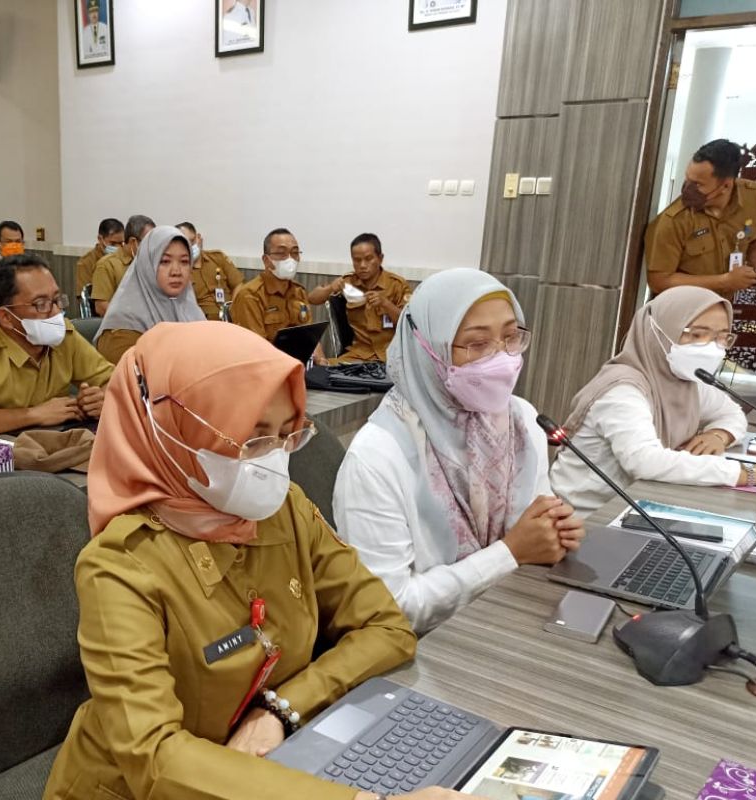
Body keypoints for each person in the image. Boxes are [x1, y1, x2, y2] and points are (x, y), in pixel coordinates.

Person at [43, 320, 467, 800]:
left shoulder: (284, 509)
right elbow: (156, 759)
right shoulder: (120, 565)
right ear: (171, 433)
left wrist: (280, 709)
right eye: (253, 438)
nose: (275, 461)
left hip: (274, 766)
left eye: (288, 435)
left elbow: (387, 628)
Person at [333, 269, 584, 634]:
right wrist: (509, 553)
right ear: (428, 349)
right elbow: (386, 610)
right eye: (477, 344)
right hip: (426, 652)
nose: (501, 358)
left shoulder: (521, 421)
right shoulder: (378, 457)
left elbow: (532, 522)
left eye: (511, 337)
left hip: (506, 620)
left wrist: (553, 532)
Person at [551, 286, 756, 514]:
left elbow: (731, 413)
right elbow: (645, 461)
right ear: (659, 333)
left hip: (641, 505)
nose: (712, 347)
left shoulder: (683, 381)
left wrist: (719, 435)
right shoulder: (622, 390)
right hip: (585, 519)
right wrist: (754, 474)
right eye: (697, 335)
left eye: (721, 337)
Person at [0, 254, 115, 440]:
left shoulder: (63, 335)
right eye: (41, 304)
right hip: (1, 457)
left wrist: (101, 399)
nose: (56, 312)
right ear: (6, 317)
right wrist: (33, 414)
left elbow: (116, 382)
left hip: (52, 446)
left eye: (57, 300)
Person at [646, 139, 756, 299]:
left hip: (722, 307)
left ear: (726, 186)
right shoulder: (673, 220)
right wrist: (724, 281)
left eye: (697, 184)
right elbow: (659, 281)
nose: (688, 189)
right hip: (679, 308)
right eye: (688, 179)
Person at [94, 226, 204, 363]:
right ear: (147, 265)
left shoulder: (189, 310)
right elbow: (133, 380)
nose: (176, 271)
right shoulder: (122, 328)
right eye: (164, 261)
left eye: (184, 262)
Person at [307, 233, 411, 363]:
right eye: (357, 260)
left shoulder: (397, 285)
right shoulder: (348, 282)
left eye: (368, 259)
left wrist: (386, 304)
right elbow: (312, 299)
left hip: (393, 356)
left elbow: (409, 323)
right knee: (325, 371)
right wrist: (331, 288)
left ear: (380, 258)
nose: (362, 265)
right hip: (358, 355)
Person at [231, 227, 313, 340]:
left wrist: (321, 358)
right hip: (266, 356)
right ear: (266, 260)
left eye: (294, 253)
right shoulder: (250, 295)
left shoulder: (299, 292)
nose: (290, 259)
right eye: (281, 253)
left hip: (298, 356)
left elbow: (310, 336)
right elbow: (257, 346)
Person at [177, 221, 245, 320]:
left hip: (230, 316)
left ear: (199, 238)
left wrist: (233, 309)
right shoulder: (179, 270)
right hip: (202, 321)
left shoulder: (218, 258)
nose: (189, 247)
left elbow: (238, 284)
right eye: (184, 243)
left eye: (192, 241)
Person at [91, 214, 155, 316]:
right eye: (149, 242)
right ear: (133, 241)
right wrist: (130, 321)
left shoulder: (150, 264)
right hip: (120, 326)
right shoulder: (107, 265)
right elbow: (101, 307)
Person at [77, 217, 125, 290]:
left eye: (121, 243)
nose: (118, 247)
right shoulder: (86, 262)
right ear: (100, 239)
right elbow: (83, 296)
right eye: (113, 243)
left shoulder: (125, 258)